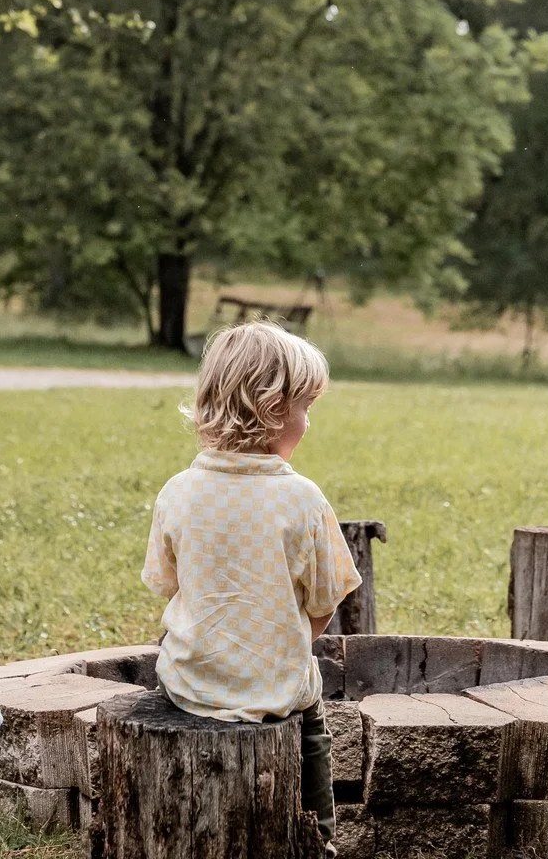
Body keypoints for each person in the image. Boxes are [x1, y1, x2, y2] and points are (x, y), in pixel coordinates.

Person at [142, 321, 361, 854]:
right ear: (272, 407)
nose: (308, 423)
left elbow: (166, 585)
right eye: (305, 407)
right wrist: (283, 648)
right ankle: (321, 837)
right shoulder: (304, 500)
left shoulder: (178, 492)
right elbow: (326, 599)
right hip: (279, 696)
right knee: (314, 733)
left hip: (188, 688)